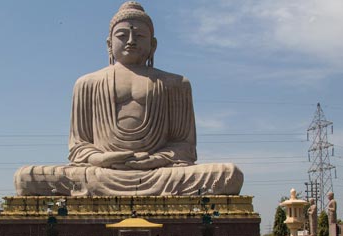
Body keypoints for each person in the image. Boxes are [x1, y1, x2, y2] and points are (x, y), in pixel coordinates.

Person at [14, 1, 243, 196]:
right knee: (26, 177)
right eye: (122, 35)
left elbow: (185, 147)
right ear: (108, 44)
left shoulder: (176, 84)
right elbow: (79, 147)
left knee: (229, 174)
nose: (131, 40)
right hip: (102, 172)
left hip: (160, 173)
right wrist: (101, 159)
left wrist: (155, 160)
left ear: (153, 45)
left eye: (140, 35)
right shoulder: (87, 83)